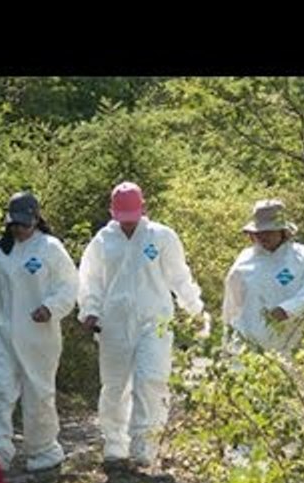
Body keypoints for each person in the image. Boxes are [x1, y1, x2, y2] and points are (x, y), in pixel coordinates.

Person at [77, 181, 207, 467]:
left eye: (132, 218)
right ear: (112, 213)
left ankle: (145, 444)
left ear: (143, 209)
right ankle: (115, 443)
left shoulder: (161, 237)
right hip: (113, 323)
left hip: (155, 321)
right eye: (122, 218)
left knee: (150, 380)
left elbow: (179, 277)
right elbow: (90, 280)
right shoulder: (102, 241)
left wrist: (195, 310)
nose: (127, 225)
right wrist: (90, 309)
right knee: (114, 385)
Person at [0, 191, 79, 472]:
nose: (20, 230)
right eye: (15, 224)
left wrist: (50, 307)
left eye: (25, 224)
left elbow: (69, 286)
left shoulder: (50, 248)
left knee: (38, 393)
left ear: (36, 220)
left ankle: (43, 450)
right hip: (1, 333)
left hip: (38, 336)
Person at [223, 199, 304, 355]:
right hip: (250, 348)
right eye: (259, 233)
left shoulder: (302, 257)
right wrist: (227, 344)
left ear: (283, 231)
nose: (263, 237)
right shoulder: (243, 262)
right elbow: (231, 308)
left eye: (269, 232)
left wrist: (288, 309)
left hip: (293, 342)